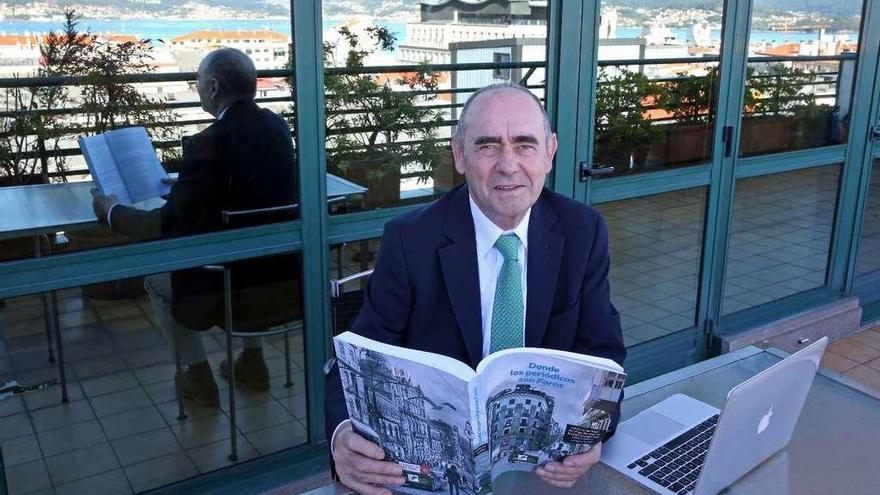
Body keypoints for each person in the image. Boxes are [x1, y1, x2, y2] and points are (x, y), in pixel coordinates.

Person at [325, 83, 626, 495]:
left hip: (539, 474)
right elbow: (356, 358)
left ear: (550, 152)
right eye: (487, 146)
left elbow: (604, 354)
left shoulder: (582, 231)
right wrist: (343, 435)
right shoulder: (411, 239)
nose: (508, 165)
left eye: (525, 145)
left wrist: (592, 438)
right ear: (459, 155)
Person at [91, 47, 298, 407]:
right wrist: (190, 187)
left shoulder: (207, 144)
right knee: (247, 250)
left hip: (232, 289)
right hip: (282, 278)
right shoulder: (276, 127)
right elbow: (249, 189)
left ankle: (197, 376)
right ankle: (253, 361)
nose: (197, 87)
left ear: (214, 87)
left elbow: (168, 225)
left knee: (156, 280)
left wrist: (112, 212)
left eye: (198, 81)